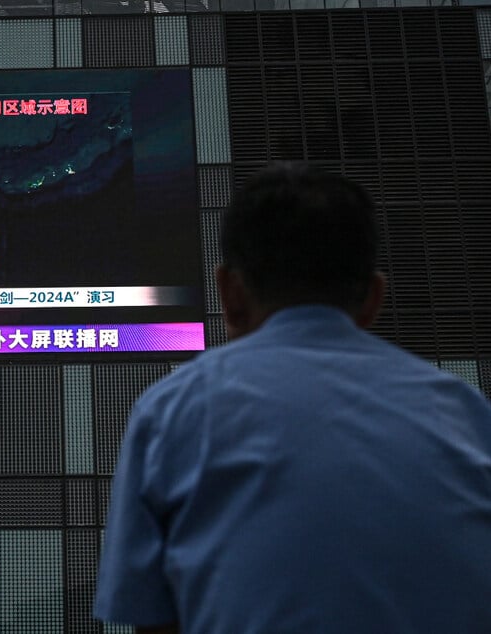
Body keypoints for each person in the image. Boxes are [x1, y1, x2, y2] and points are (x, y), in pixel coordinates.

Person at [93, 162, 491, 633]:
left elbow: (151, 620)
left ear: (230, 292)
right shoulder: (466, 413)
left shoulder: (173, 410)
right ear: (373, 298)